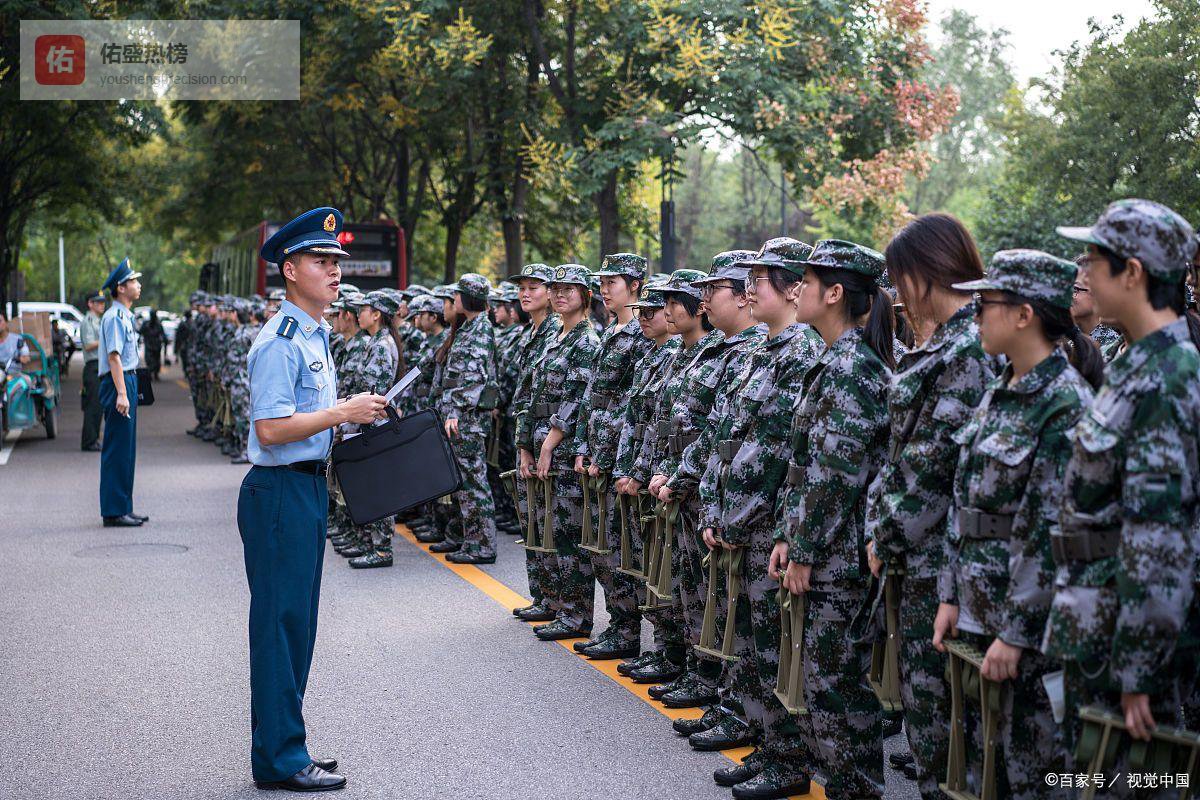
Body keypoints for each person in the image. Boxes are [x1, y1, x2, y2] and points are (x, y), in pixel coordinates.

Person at [930, 248, 1099, 800]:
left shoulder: (1065, 404)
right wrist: (950, 595)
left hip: (1028, 632)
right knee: (983, 766)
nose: (975, 313)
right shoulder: (1000, 389)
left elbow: (1052, 534)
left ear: (1024, 314)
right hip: (979, 611)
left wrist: (1016, 632)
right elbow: (964, 502)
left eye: (986, 303)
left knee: (1031, 773)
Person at [1044, 199, 1200, 798]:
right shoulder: (1136, 364)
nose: (1082, 272)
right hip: (1096, 624)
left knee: (1137, 782)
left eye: (1093, 260)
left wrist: (1139, 666)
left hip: (1128, 643)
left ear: (1132, 273)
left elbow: (1159, 535)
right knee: (1088, 777)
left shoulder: (1169, 376)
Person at [240, 207, 386, 793]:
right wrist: (340, 412)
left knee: (297, 627)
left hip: (304, 487)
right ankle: (279, 758)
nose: (334, 270)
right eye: (321, 260)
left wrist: (352, 417)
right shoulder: (280, 342)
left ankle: (285, 745)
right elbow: (271, 428)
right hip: (279, 490)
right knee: (281, 627)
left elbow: (308, 420)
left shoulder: (313, 333)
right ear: (289, 269)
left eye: (336, 261)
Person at [866, 214, 993, 799]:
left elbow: (933, 464)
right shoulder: (947, 342)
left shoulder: (967, 348)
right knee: (928, 718)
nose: (897, 293)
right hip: (920, 557)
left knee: (943, 725)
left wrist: (886, 535)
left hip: (940, 561)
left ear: (925, 273)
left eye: (900, 278)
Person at [697, 237, 824, 800]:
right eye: (746, 281)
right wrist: (716, 505)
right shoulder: (762, 350)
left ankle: (789, 758)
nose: (748, 291)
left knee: (776, 649)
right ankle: (768, 744)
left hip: (767, 525)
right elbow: (728, 436)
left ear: (794, 288)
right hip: (739, 522)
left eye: (760, 280)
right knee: (751, 640)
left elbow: (778, 455)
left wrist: (738, 516)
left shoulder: (801, 353)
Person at [773, 240, 895, 800]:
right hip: (823, 549)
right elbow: (804, 467)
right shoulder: (833, 363)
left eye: (808, 281)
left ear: (836, 293)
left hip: (838, 559)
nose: (797, 290)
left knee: (838, 689)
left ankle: (858, 789)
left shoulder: (852, 369)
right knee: (822, 687)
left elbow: (836, 476)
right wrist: (786, 535)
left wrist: (804, 550)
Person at [572, 253, 652, 660]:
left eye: (612, 283)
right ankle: (617, 624)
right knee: (601, 547)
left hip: (617, 455)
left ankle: (627, 629)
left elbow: (633, 405)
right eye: (601, 283)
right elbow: (592, 396)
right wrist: (582, 445)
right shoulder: (610, 331)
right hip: (596, 449)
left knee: (620, 547)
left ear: (635, 285)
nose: (604, 290)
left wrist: (608, 455)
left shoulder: (642, 333)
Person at [515, 264, 600, 641]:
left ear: (585, 295)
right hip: (538, 442)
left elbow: (576, 400)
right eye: (556, 289)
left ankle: (575, 614)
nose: (560, 294)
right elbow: (532, 396)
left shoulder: (586, 341)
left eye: (569, 289)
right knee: (544, 524)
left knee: (567, 532)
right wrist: (525, 446)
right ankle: (550, 600)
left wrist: (549, 444)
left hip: (562, 449)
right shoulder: (554, 337)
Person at [505, 264, 563, 621]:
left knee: (550, 524)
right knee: (532, 521)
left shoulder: (556, 331)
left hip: (547, 437)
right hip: (529, 434)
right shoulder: (534, 331)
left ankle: (558, 602)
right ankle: (543, 597)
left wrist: (536, 445)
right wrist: (523, 444)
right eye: (522, 288)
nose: (525, 294)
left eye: (534, 287)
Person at [436, 273, 501, 565]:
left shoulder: (480, 329)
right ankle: (472, 540)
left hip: (468, 419)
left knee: (474, 482)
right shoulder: (470, 327)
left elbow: (474, 376)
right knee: (466, 482)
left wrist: (457, 410)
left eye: (458, 294)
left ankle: (482, 545)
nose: (454, 299)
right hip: (463, 417)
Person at [97, 258, 149, 528]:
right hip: (118, 381)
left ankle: (124, 506)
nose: (138, 285)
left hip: (127, 379)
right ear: (120, 287)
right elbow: (114, 357)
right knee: (117, 449)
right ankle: (114, 511)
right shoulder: (114, 317)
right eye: (133, 281)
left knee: (126, 449)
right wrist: (121, 393)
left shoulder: (125, 316)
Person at [80, 292, 106, 451]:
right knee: (92, 406)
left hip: (100, 366)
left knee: (99, 406)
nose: (102, 305)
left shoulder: (99, 320)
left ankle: (94, 439)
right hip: (93, 366)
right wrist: (106, 338)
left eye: (103, 302)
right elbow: (88, 345)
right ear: (90, 304)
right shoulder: (87, 321)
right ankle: (89, 441)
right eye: (98, 302)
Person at [142, 309, 165, 380]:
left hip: (156, 345)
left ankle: (155, 374)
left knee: (156, 360)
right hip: (149, 345)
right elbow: (141, 331)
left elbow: (162, 334)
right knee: (150, 360)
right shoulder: (146, 324)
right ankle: (151, 374)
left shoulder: (158, 324)